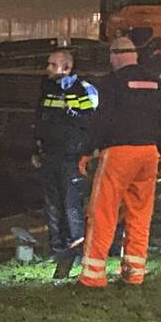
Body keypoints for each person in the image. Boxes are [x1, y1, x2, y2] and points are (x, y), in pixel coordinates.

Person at [76, 37, 161, 288]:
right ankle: (134, 272)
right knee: (140, 213)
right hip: (149, 152)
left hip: (118, 152)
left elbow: (102, 119)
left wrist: (88, 150)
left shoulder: (111, 82)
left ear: (117, 54)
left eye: (110, 55)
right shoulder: (155, 82)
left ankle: (93, 276)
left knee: (103, 211)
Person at [31, 49, 98, 274]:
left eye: (52, 65)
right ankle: (57, 250)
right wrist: (36, 148)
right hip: (49, 156)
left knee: (72, 207)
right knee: (53, 206)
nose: (47, 69)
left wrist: (73, 115)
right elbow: (39, 120)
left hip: (71, 158)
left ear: (66, 68)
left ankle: (76, 252)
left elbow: (90, 123)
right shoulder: (47, 89)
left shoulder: (83, 90)